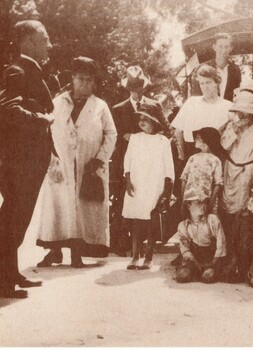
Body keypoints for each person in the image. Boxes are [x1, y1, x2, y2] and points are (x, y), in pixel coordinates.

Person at [34, 57, 117, 268]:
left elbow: (111, 134)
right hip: (59, 164)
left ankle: (77, 254)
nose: (86, 84)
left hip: (89, 166)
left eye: (90, 80)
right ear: (72, 78)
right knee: (58, 207)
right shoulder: (58, 102)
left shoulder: (100, 106)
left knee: (82, 209)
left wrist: (99, 159)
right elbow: (46, 131)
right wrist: (51, 159)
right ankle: (54, 252)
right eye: (81, 79)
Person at [0, 20, 54, 298]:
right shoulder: (17, 71)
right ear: (29, 41)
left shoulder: (29, 70)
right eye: (44, 38)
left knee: (16, 221)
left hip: (28, 161)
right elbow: (9, 110)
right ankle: (3, 281)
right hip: (19, 162)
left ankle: (10, 273)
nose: (49, 44)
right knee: (12, 221)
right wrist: (41, 119)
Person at [122, 102, 174, 270]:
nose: (142, 122)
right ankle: (135, 255)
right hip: (137, 184)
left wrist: (167, 190)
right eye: (140, 119)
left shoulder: (163, 141)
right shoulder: (135, 138)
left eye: (146, 119)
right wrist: (128, 180)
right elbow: (127, 161)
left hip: (154, 185)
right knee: (136, 221)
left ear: (155, 121)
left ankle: (149, 256)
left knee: (151, 220)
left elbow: (169, 167)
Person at [110, 65, 156, 256]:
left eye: (139, 88)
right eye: (133, 89)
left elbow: (165, 130)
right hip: (126, 162)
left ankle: (143, 241)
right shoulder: (119, 109)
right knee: (122, 199)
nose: (136, 93)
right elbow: (113, 135)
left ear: (144, 88)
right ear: (128, 90)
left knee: (146, 198)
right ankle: (121, 241)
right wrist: (125, 136)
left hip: (147, 162)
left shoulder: (154, 106)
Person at [221, 91, 253, 240]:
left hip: (247, 170)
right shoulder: (232, 126)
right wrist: (235, 130)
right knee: (227, 204)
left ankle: (239, 244)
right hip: (231, 168)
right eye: (240, 112)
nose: (242, 116)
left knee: (243, 208)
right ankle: (228, 245)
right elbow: (224, 145)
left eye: (245, 113)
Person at [172, 64, 231, 161]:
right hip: (191, 152)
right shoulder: (191, 102)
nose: (205, 87)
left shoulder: (228, 106)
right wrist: (182, 156)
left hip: (217, 155)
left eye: (208, 83)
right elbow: (178, 132)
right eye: (202, 83)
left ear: (217, 82)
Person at [175, 188, 227, 284]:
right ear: (188, 205)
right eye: (198, 202)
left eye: (204, 202)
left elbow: (221, 245)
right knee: (182, 276)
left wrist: (212, 263)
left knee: (208, 277)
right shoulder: (183, 226)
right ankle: (196, 272)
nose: (203, 205)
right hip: (194, 260)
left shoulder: (212, 220)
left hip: (212, 259)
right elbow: (185, 250)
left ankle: (208, 272)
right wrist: (196, 264)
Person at [181, 127, 224, 214]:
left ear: (206, 140)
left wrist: (211, 202)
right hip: (190, 200)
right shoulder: (193, 158)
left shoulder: (215, 160)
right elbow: (184, 179)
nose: (195, 139)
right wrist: (183, 200)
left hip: (206, 200)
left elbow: (218, 184)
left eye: (198, 137)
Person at [190, 33, 241, 102]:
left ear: (230, 48)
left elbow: (236, 94)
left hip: (226, 110)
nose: (223, 50)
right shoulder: (202, 68)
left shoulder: (235, 70)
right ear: (214, 47)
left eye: (226, 47)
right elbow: (196, 95)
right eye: (220, 46)